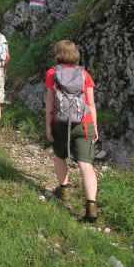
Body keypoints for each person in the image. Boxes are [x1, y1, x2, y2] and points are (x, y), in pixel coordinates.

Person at [45, 40, 99, 222]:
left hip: (59, 122)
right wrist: (95, 126)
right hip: (84, 123)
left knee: (60, 156)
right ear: (75, 54)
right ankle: (91, 207)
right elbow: (90, 103)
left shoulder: (53, 73)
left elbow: (50, 102)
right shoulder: (84, 74)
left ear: (58, 53)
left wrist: (47, 125)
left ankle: (65, 191)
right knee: (86, 164)